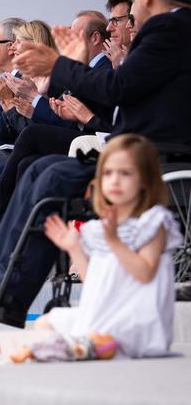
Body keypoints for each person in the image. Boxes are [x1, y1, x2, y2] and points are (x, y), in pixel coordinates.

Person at [0, 0, 191, 327]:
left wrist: (56, 65)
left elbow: (116, 88)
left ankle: (7, 287)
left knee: (52, 177)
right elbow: (122, 94)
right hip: (145, 152)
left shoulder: (170, 29)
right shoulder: (174, 30)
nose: (134, 1)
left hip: (155, 160)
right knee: (38, 167)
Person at [37, 135, 180, 358]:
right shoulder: (101, 227)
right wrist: (74, 248)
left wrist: (114, 241)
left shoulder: (152, 222)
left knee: (65, 343)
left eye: (125, 173)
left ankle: (89, 347)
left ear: (145, 180)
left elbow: (145, 273)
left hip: (136, 323)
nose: (115, 180)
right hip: (104, 314)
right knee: (44, 324)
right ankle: (86, 346)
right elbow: (95, 281)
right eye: (108, 173)